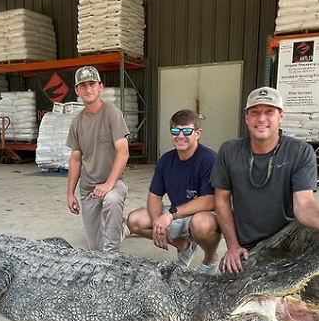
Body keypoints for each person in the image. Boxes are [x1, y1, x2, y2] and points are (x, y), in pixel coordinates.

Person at [211, 86, 319, 302]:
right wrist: (233, 246)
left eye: (269, 112)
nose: (261, 118)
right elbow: (221, 201)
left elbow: (304, 205)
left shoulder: (299, 152)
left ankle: (314, 304)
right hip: (251, 246)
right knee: (228, 287)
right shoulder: (229, 151)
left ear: (281, 117)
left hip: (288, 236)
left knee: (318, 236)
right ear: (246, 117)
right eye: (255, 112)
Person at [127, 109, 220, 274]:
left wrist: (170, 215)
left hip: (203, 214)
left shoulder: (209, 159)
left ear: (198, 133)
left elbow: (209, 200)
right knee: (134, 220)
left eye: (187, 131)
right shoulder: (165, 160)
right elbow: (154, 196)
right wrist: (157, 223)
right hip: (176, 213)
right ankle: (183, 245)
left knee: (201, 225)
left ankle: (210, 259)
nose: (180, 136)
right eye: (176, 131)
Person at [66, 66, 130, 252]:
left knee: (111, 199)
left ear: (100, 86)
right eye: (83, 85)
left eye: (92, 84)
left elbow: (123, 152)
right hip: (89, 189)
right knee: (94, 247)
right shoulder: (77, 122)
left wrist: (109, 184)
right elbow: (76, 159)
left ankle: (112, 257)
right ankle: (123, 228)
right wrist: (70, 193)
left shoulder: (112, 114)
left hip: (113, 183)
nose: (88, 89)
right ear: (77, 90)